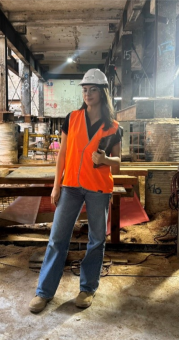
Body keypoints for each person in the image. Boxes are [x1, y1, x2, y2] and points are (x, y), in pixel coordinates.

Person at [29, 68, 121, 313]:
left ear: (102, 93)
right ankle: (44, 292)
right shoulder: (72, 118)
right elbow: (62, 154)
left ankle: (87, 288)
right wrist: (56, 185)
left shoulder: (113, 126)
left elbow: (119, 162)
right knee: (57, 239)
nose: (88, 94)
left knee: (96, 240)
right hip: (70, 186)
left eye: (93, 90)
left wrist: (104, 159)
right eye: (85, 89)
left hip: (98, 189)